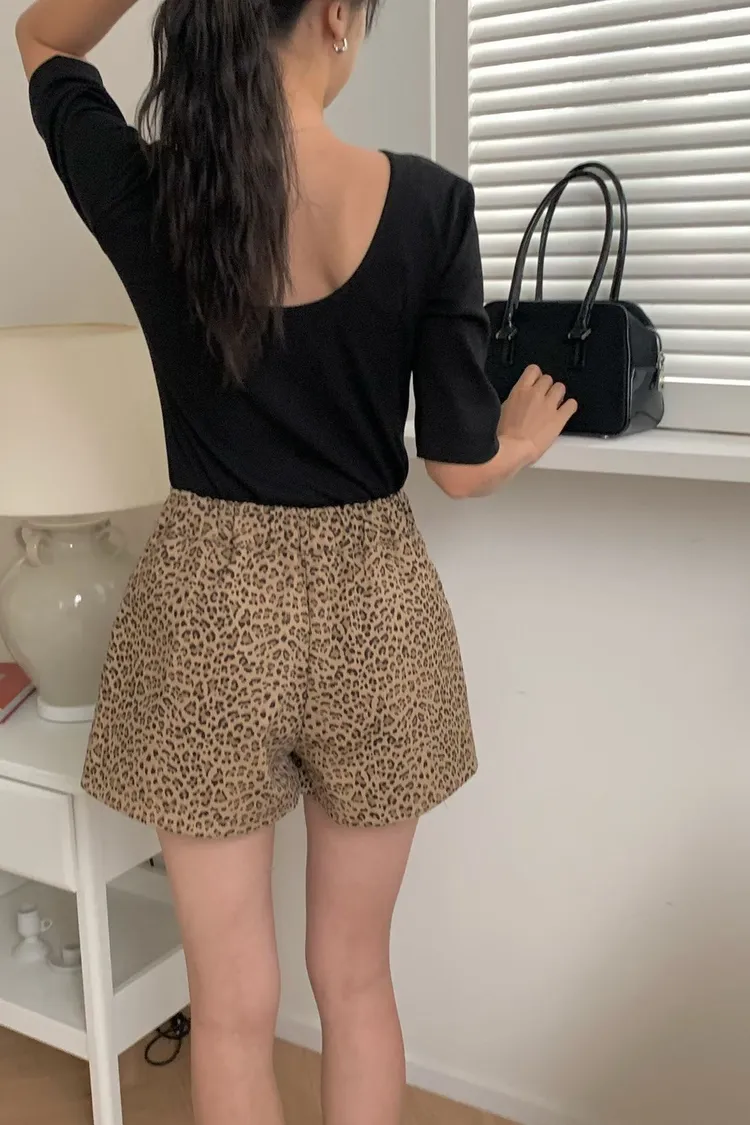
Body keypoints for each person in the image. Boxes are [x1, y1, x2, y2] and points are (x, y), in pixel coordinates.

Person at [15, 2, 576, 1122]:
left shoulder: (158, 196)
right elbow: (458, 467)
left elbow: (41, 40)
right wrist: (517, 440)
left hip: (206, 613)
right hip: (376, 610)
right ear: (334, 18)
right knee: (356, 976)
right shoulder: (429, 205)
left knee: (230, 1002)